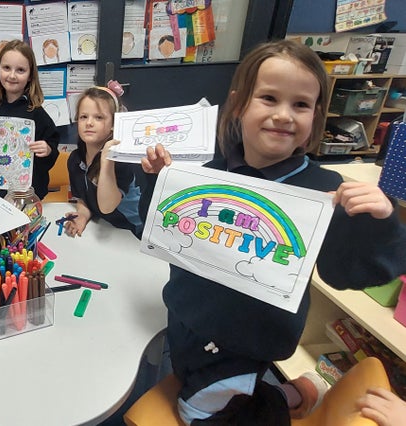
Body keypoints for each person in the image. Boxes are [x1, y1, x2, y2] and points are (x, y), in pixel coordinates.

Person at [141, 39, 406, 424]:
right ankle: (293, 391)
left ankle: (277, 400)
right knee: (189, 377)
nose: (283, 115)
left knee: (199, 411)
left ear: (316, 115)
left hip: (250, 342)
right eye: (268, 98)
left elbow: (348, 271)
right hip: (186, 321)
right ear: (239, 104)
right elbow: (162, 232)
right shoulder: (206, 172)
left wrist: (377, 221)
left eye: (300, 104)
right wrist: (160, 182)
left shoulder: (324, 190)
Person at [63, 84, 165, 239]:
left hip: (134, 232)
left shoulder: (120, 161)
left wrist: (106, 161)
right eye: (84, 116)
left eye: (99, 117)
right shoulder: (75, 159)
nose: (89, 123)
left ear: (113, 125)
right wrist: (82, 216)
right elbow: (84, 199)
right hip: (107, 228)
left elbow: (107, 207)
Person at [0, 39, 60, 200]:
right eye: (6, 68)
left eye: (20, 70)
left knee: (27, 225)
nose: (12, 75)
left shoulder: (36, 113)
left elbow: (51, 151)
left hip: (29, 195)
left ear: (30, 75)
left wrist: (47, 151)